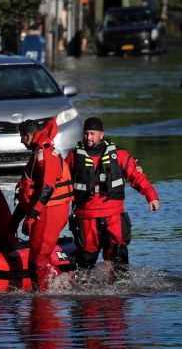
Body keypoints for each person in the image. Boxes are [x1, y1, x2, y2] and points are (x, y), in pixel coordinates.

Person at [65, 117, 159, 280]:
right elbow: (61, 181)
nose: (89, 138)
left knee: (119, 263)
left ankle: (119, 299)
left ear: (101, 135)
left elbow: (136, 176)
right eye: (86, 134)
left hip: (113, 217)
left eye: (92, 134)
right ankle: (85, 302)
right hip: (86, 218)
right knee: (84, 267)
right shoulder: (74, 156)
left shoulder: (119, 154)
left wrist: (151, 196)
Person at [8, 118, 73, 291]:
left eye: (22, 137)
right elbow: (30, 192)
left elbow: (48, 188)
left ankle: (42, 298)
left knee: (38, 259)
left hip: (50, 210)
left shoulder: (45, 155)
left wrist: (32, 215)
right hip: (45, 209)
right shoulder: (38, 153)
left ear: (28, 136)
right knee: (36, 257)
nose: (21, 141)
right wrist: (14, 221)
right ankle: (49, 287)